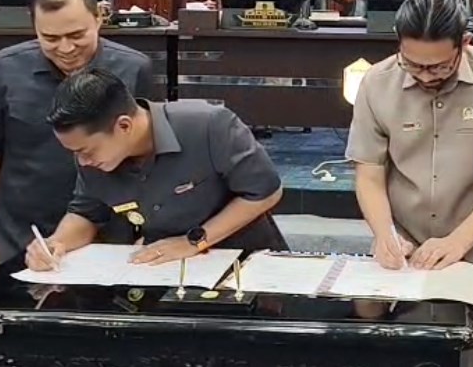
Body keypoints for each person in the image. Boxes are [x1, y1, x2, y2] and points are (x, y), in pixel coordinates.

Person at [345, 0, 473, 367]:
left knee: (471, 357)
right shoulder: (377, 83)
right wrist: (384, 234)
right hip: (405, 252)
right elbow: (369, 174)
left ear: (465, 43)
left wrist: (458, 241)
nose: (425, 76)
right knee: (401, 356)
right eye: (413, 65)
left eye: (438, 67)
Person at [0, 0, 154, 272]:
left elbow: (150, 152)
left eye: (77, 35)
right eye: (50, 38)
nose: (65, 49)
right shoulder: (5, 69)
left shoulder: (133, 69)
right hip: (22, 233)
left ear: (99, 17)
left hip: (110, 232)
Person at [24, 68, 286, 270]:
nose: (82, 162)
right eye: (75, 152)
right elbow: (86, 212)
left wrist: (195, 241)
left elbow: (266, 192)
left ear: (124, 126)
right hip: (163, 268)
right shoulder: (92, 158)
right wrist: (57, 242)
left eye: (86, 151)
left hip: (244, 262)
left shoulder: (208, 126)